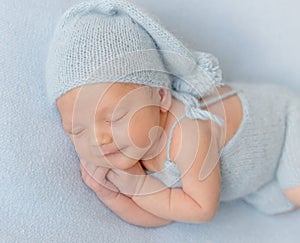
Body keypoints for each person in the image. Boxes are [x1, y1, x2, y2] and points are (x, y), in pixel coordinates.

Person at [45, 0, 300, 227]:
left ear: (161, 97)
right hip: (256, 173)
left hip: (287, 119)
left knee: (294, 191)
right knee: (275, 204)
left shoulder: (187, 133)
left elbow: (200, 209)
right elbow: (164, 214)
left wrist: (136, 185)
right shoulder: (129, 145)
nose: (98, 139)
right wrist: (111, 194)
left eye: (114, 118)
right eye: (76, 130)